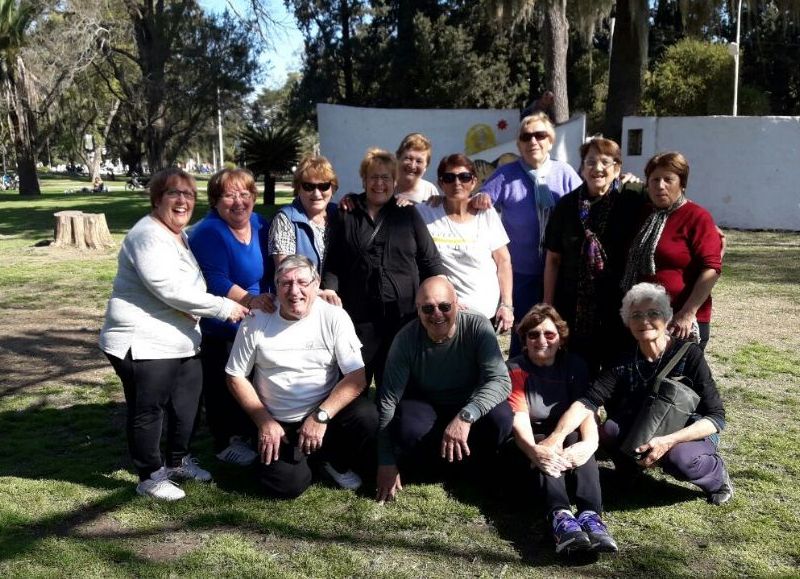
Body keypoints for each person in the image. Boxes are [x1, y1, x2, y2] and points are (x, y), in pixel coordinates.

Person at [99, 168, 250, 501]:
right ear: (156, 198)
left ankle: (178, 461)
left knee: (187, 404)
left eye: (189, 195)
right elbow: (167, 287)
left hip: (179, 340)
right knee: (149, 409)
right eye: (174, 193)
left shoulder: (178, 234)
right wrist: (223, 308)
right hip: (143, 342)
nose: (183, 201)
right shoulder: (146, 235)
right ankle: (150, 476)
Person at [544, 282, 733, 506]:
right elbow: (587, 402)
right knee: (609, 430)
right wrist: (555, 438)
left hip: (690, 431)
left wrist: (668, 441)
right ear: (627, 322)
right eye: (636, 315)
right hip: (645, 426)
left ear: (666, 317)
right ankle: (630, 469)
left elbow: (716, 417)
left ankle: (717, 476)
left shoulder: (689, 355)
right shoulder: (624, 360)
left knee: (679, 458)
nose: (644, 321)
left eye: (653, 313)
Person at [225, 255, 378, 499]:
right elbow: (235, 376)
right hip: (279, 420)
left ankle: (331, 456)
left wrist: (321, 416)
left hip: (325, 413)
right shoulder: (257, 319)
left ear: (316, 285)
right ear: (275, 287)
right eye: (285, 283)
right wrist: (263, 421)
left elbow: (357, 376)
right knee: (285, 486)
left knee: (367, 416)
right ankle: (301, 456)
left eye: (302, 283)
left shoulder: (334, 316)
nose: (294, 291)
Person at [376, 277, 513, 503]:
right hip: (428, 403)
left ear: (457, 304)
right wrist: (386, 462)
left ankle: (476, 464)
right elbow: (388, 401)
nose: (437, 314)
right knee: (408, 428)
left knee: (502, 418)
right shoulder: (405, 339)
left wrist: (466, 416)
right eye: (428, 308)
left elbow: (500, 380)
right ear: (418, 310)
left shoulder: (477, 325)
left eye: (445, 306)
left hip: (470, 402)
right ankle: (445, 466)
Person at [323, 149, 446, 388]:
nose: (379, 184)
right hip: (358, 319)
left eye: (386, 178)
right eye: (373, 177)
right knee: (353, 385)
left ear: (394, 181)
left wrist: (444, 294)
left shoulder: (407, 212)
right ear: (364, 180)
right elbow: (334, 262)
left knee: (398, 385)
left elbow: (430, 259)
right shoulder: (347, 213)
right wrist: (330, 290)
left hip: (402, 318)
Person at [506, 304, 617, 555]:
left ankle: (591, 515)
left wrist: (589, 444)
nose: (541, 340)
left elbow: (585, 410)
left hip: (567, 429)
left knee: (579, 440)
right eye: (533, 335)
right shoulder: (514, 369)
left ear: (561, 338)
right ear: (524, 340)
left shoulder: (576, 365)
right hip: (530, 433)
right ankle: (560, 517)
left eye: (549, 334)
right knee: (543, 444)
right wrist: (535, 452)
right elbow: (520, 421)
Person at [475, 113, 582, 356]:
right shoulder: (506, 175)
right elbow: (476, 203)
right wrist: (463, 199)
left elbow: (587, 203)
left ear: (551, 141)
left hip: (560, 272)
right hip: (522, 273)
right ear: (519, 144)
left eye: (540, 135)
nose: (533, 141)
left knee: (558, 332)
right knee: (523, 335)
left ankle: (555, 385)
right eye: (526, 136)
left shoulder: (564, 174)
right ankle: (520, 387)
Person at [188, 168, 274, 467]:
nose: (238, 201)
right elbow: (215, 279)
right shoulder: (209, 232)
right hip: (223, 321)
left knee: (252, 378)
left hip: (257, 319)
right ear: (215, 201)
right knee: (224, 380)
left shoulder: (259, 223)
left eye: (244, 193)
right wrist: (251, 300)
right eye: (229, 195)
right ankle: (225, 441)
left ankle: (247, 431)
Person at [543, 137, 646, 373]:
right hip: (573, 306)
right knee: (577, 369)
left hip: (618, 304)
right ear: (581, 167)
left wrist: (708, 228)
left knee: (616, 370)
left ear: (617, 168)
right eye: (590, 162)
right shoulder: (566, 206)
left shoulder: (631, 198)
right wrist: (548, 305)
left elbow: (669, 204)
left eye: (605, 162)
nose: (597, 168)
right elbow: (553, 259)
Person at [621, 152, 722, 349]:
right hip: (642, 318)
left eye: (669, 179)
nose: (660, 186)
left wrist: (687, 313)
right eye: (655, 179)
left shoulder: (697, 217)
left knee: (672, 379)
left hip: (678, 322)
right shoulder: (644, 214)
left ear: (682, 183)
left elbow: (711, 269)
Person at [416, 153, 513, 332]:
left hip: (485, 314)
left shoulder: (486, 213)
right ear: (440, 183)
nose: (457, 182)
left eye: (464, 177)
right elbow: (396, 211)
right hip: (444, 315)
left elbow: (503, 261)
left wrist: (506, 306)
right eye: (449, 177)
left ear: (474, 182)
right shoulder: (426, 212)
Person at [269, 155, 339, 277]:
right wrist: (319, 293)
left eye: (323, 186)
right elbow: (286, 273)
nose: (317, 194)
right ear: (298, 188)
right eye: (308, 187)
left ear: (332, 188)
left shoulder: (340, 214)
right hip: (301, 293)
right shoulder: (285, 219)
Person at [394, 133, 439, 204]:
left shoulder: (430, 191)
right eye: (408, 158)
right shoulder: (386, 188)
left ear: (426, 166)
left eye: (419, 161)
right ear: (398, 158)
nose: (412, 166)